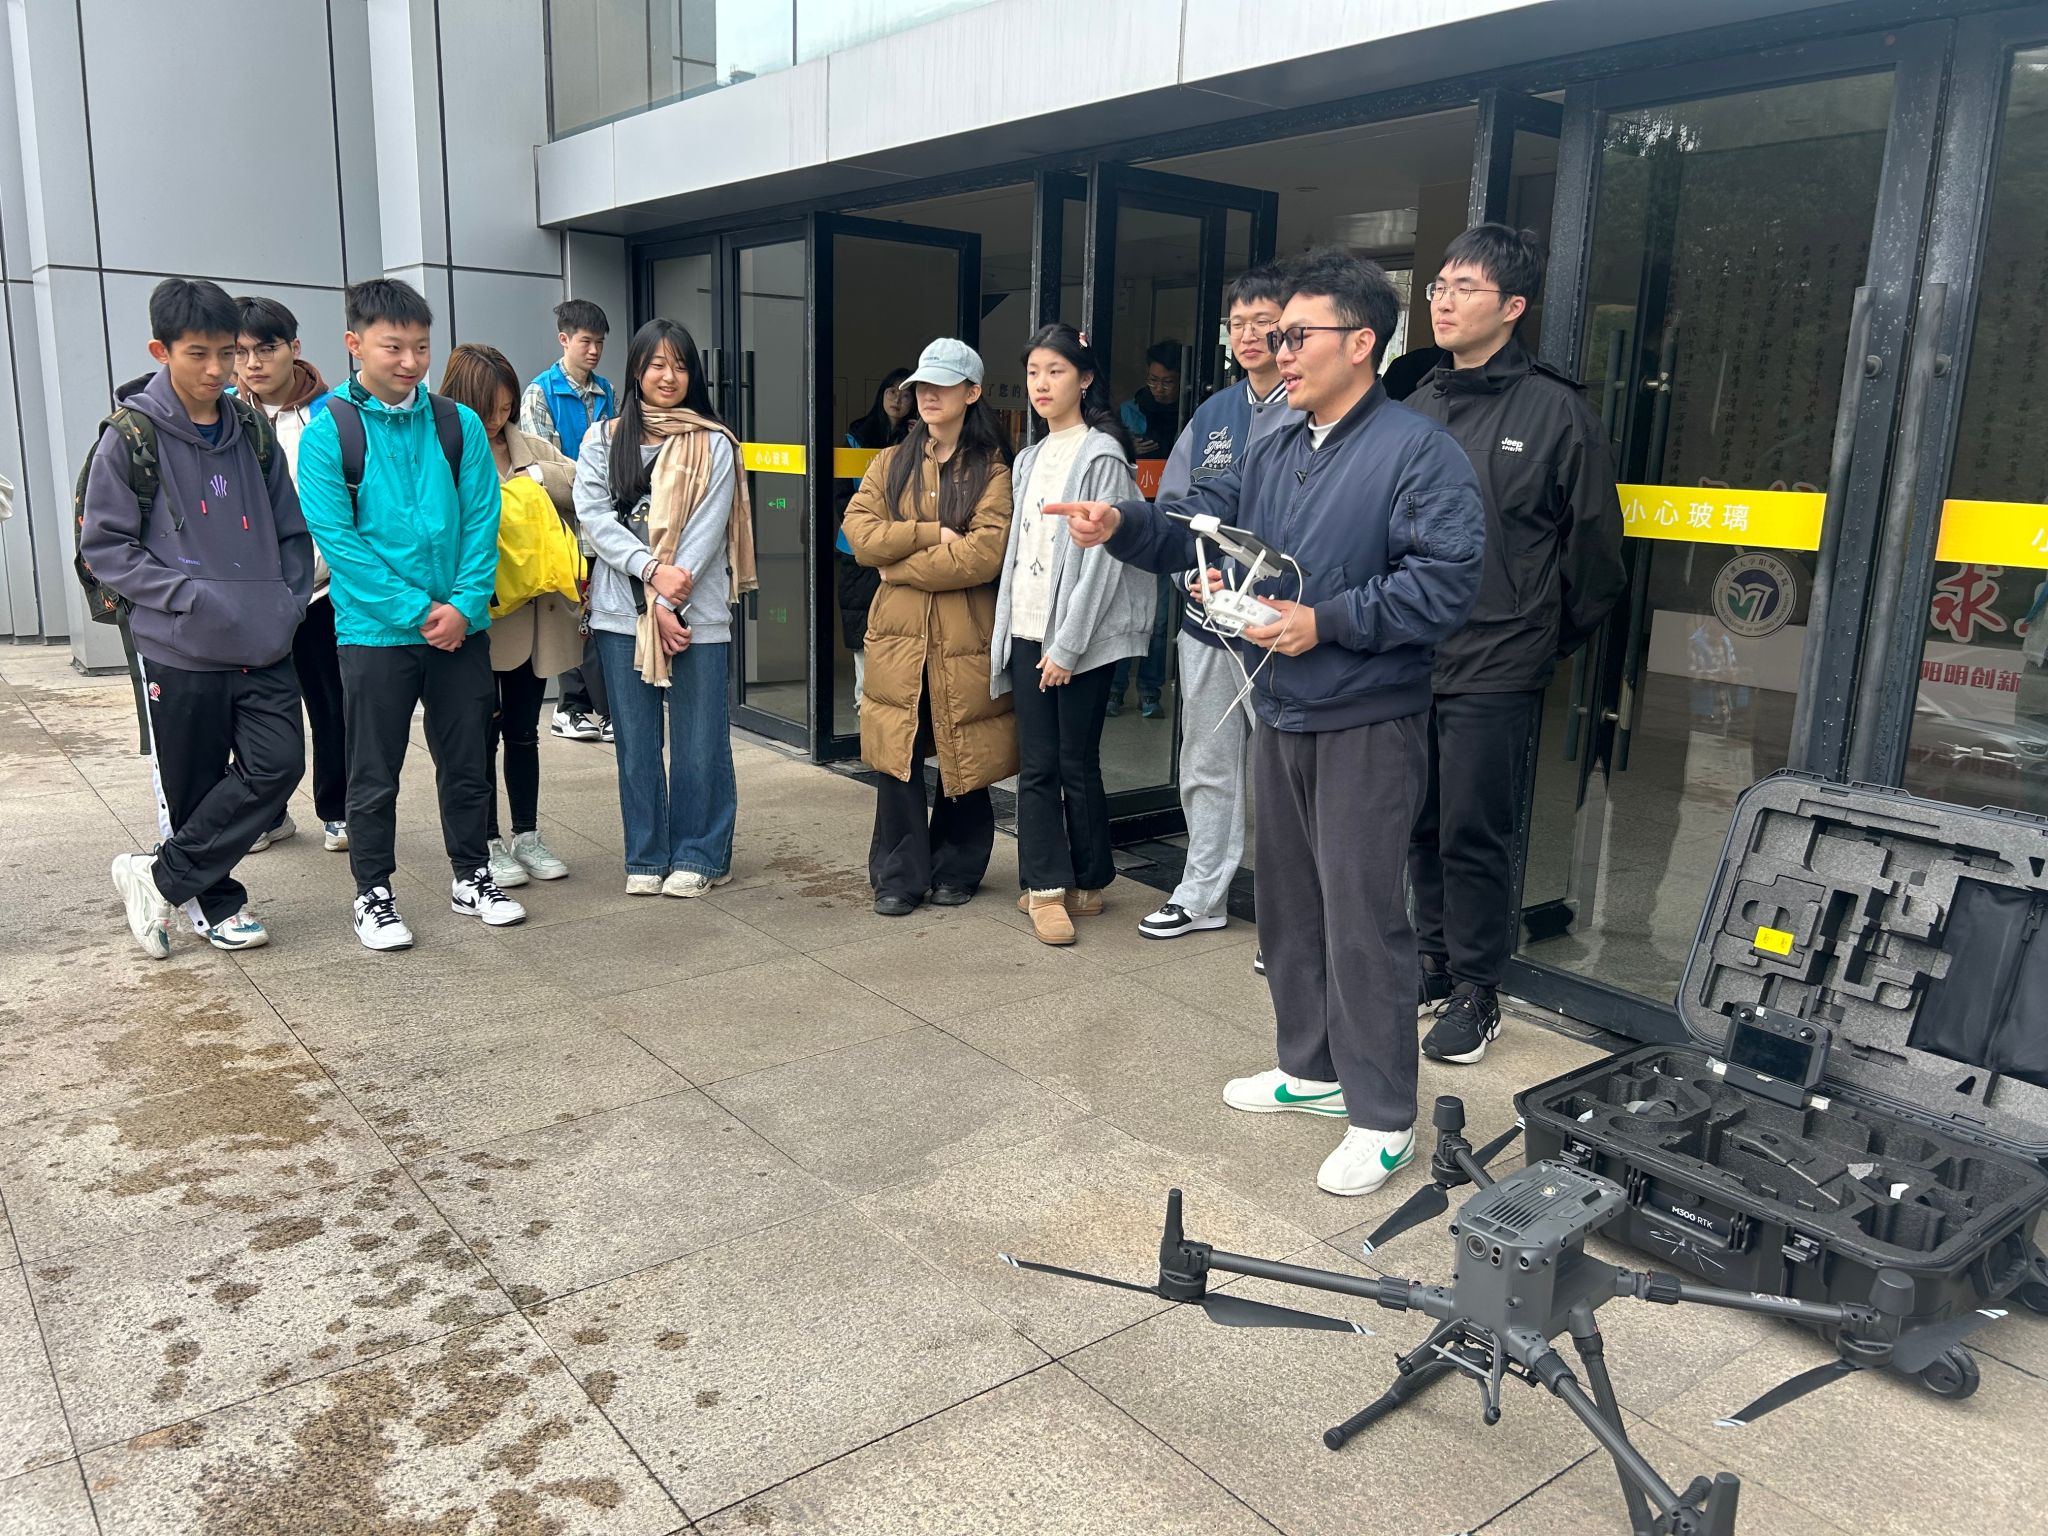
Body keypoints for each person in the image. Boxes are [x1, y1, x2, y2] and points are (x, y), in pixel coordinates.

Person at [1042, 250, 1485, 1196]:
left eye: (1296, 335)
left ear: (1361, 343)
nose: (1278, 350)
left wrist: (1327, 621)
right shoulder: (1279, 441)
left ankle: (1382, 1115)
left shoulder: (1418, 451)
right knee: (1289, 903)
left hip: (1367, 715)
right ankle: (1310, 1069)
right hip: (1282, 703)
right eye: (1274, 335)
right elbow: (1207, 531)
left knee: (1363, 917)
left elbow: (1447, 584)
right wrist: (1124, 527)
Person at [1404, 225, 1626, 1064]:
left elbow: (1596, 557)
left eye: (1464, 287)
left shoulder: (1557, 412)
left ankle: (1477, 989)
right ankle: (1431, 961)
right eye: (1439, 285)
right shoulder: (1416, 404)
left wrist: (1539, 637)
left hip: (1498, 659)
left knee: (1474, 829)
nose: (1444, 300)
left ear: (1513, 306)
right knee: (1418, 820)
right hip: (1411, 652)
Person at [85, 278, 312, 958]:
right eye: (198, 354)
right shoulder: (130, 437)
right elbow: (106, 547)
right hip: (179, 645)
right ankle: (216, 903)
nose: (218, 369)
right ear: (162, 351)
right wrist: (188, 597)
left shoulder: (250, 430)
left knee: (277, 767)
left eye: (228, 352)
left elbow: (290, 529)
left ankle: (156, 877)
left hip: (264, 639)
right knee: (194, 783)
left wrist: (287, 601)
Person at [297, 277, 525, 951]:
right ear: (354, 343)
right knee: (374, 771)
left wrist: (463, 605)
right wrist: (421, 610)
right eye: (393, 346)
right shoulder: (330, 432)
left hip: (461, 627)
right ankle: (373, 892)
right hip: (375, 633)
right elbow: (340, 544)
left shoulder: (457, 424)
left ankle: (472, 875)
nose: (410, 361)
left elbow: (483, 522)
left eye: (421, 347)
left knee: (467, 761)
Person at [1136, 264, 1300, 943]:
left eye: (1265, 322)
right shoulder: (1213, 414)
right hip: (1207, 623)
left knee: (1287, 778)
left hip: (1282, 629)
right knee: (1205, 763)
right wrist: (1193, 580)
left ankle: (1291, 923)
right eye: (1238, 324)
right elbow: (1176, 510)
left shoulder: (1313, 407)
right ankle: (1201, 894)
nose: (1250, 335)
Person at [574, 317, 756, 897]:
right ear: (636, 370)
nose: (668, 376)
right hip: (621, 614)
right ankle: (647, 855)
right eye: (657, 364)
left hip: (696, 613)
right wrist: (653, 579)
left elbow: (707, 530)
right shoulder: (602, 439)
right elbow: (595, 520)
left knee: (701, 741)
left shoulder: (715, 442)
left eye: (679, 365)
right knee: (635, 744)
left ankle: (702, 855)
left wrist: (670, 597)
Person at [992, 323, 1154, 946]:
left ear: (1084, 380)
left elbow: (1103, 561)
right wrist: (1012, 634)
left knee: (1073, 763)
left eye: (1055, 371)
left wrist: (1068, 645)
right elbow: (1019, 554)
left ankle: (1067, 886)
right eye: (1033, 372)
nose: (1041, 384)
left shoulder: (1101, 455)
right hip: (1030, 627)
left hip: (1078, 637)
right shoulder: (1029, 458)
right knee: (1041, 763)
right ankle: (1060, 883)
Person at [844, 341, 1015, 916]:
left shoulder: (992, 469)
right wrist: (928, 533)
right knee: (898, 754)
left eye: (942, 385)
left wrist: (897, 566)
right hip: (898, 635)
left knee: (965, 750)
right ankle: (898, 876)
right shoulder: (889, 463)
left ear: (972, 392)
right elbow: (860, 535)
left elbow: (982, 556)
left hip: (964, 635)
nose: (927, 395)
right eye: (922, 385)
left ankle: (957, 869)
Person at [439, 342, 579, 892]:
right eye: (488, 409)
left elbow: (581, 484)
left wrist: (536, 478)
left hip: (531, 617)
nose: (498, 420)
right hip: (475, 617)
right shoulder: (443, 450)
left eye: (506, 407)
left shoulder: (530, 448)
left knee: (523, 731)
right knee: (479, 736)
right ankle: (487, 841)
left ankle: (527, 834)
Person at [234, 295, 341, 855]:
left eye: (266, 348)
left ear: (294, 348)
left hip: (324, 591)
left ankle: (338, 810)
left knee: (332, 705)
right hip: (250, 596)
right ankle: (268, 813)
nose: (253, 363)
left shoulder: (334, 414)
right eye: (240, 351)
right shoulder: (223, 415)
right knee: (257, 711)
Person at [520, 298, 616, 745]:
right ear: (564, 339)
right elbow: (542, 466)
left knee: (598, 613)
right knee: (574, 614)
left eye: (600, 343)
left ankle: (589, 707)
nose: (594, 351)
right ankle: (573, 708)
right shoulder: (540, 393)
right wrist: (587, 483)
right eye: (585, 342)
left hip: (601, 520)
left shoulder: (606, 391)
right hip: (562, 522)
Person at [1110, 341, 1187, 717]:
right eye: (1153, 380)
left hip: (1169, 523)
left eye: (1167, 382)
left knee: (1160, 616)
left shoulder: (1192, 416)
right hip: (1131, 518)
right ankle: (1115, 690)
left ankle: (1150, 691)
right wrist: (1129, 449)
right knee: (1125, 610)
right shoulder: (1130, 410)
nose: (1159, 388)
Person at [837, 368, 913, 714]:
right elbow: (842, 495)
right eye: (891, 392)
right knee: (860, 622)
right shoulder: (857, 435)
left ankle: (892, 697)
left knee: (897, 626)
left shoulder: (918, 438)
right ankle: (863, 697)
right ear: (880, 395)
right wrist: (862, 530)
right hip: (857, 546)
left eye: (905, 394)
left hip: (901, 546)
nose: (898, 399)